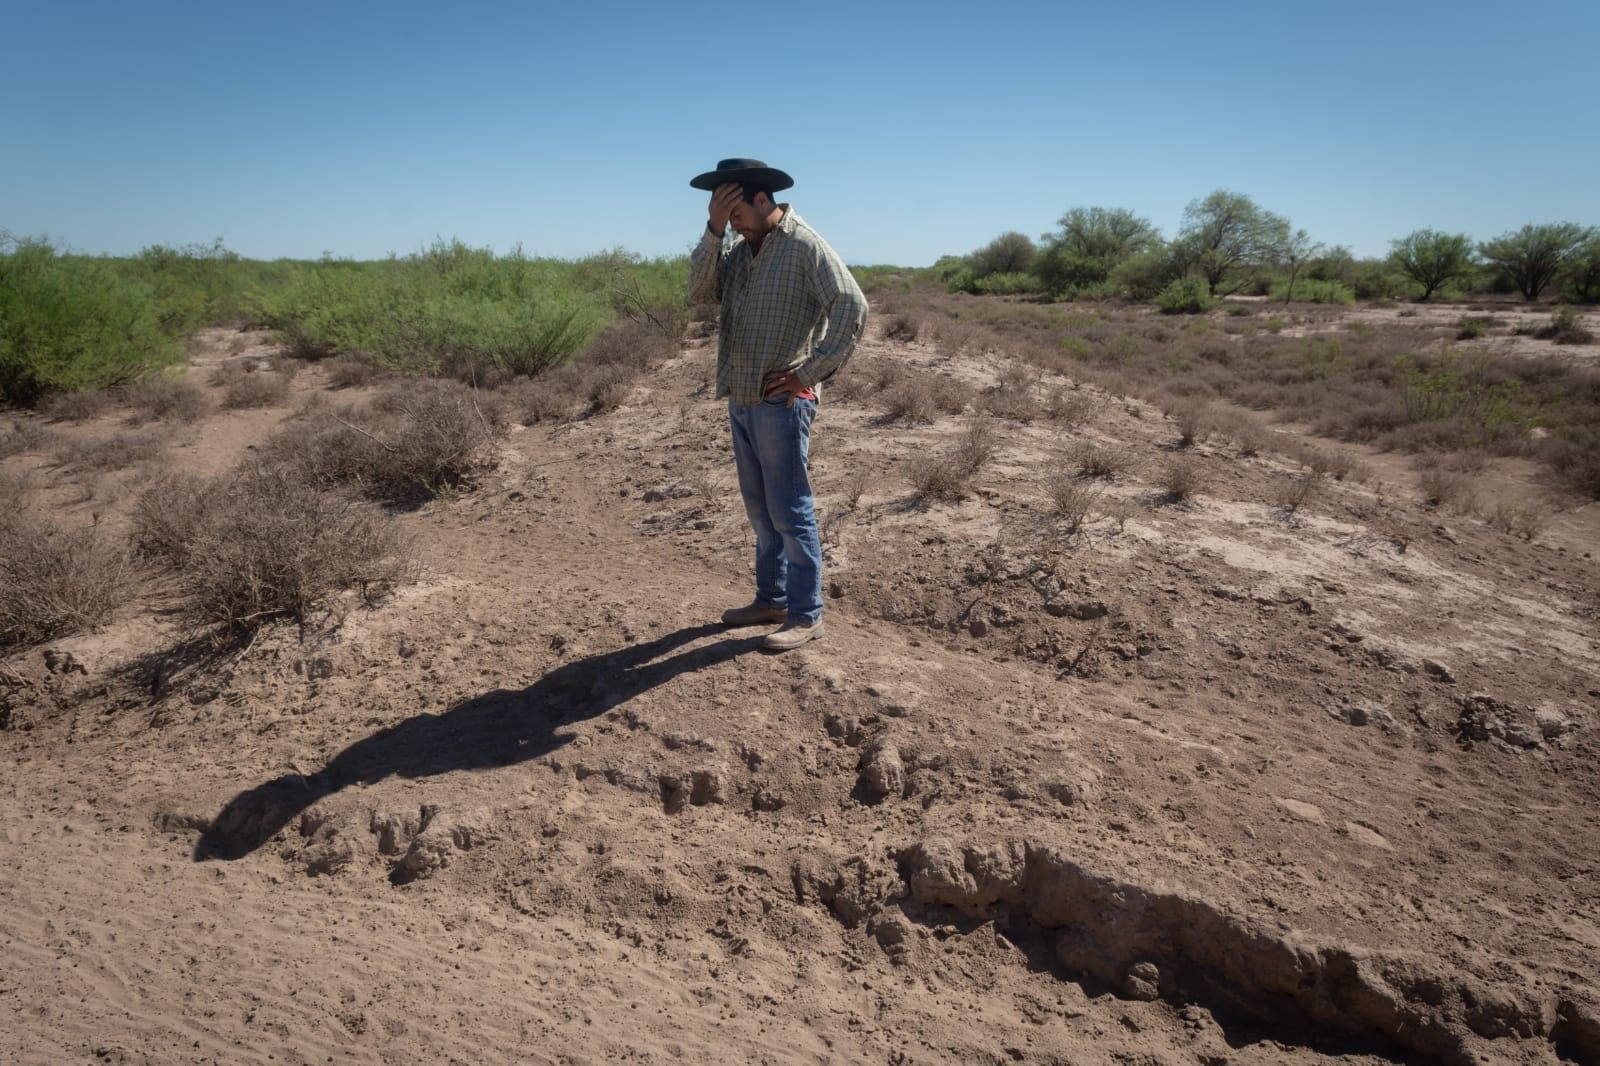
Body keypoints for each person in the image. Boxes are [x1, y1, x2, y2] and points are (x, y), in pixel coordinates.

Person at [688, 158, 868, 651]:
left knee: (790, 510)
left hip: (780, 402)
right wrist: (713, 230)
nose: (732, 220)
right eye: (721, 211)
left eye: (735, 209)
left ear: (762, 199)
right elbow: (699, 292)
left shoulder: (804, 245)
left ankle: (807, 615)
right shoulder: (741, 248)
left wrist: (808, 373)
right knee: (761, 512)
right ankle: (771, 599)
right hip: (743, 395)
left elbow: (853, 306)